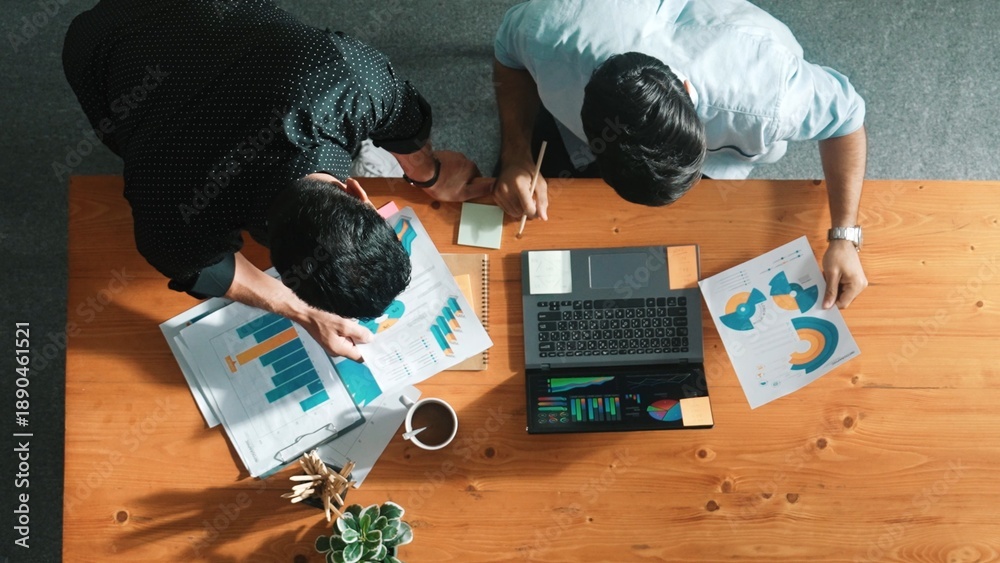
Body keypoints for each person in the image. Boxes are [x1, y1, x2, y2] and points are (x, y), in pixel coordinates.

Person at [63, 0, 492, 360]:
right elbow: (201, 270)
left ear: (359, 193)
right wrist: (304, 313)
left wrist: (428, 173)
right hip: (101, 42)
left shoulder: (350, 79)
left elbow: (402, 114)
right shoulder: (170, 216)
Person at [492, 0, 869, 309]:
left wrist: (844, 237)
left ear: (688, 93)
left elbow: (847, 120)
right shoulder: (548, 31)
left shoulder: (772, 98)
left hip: (739, 103)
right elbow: (507, 55)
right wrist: (516, 156)